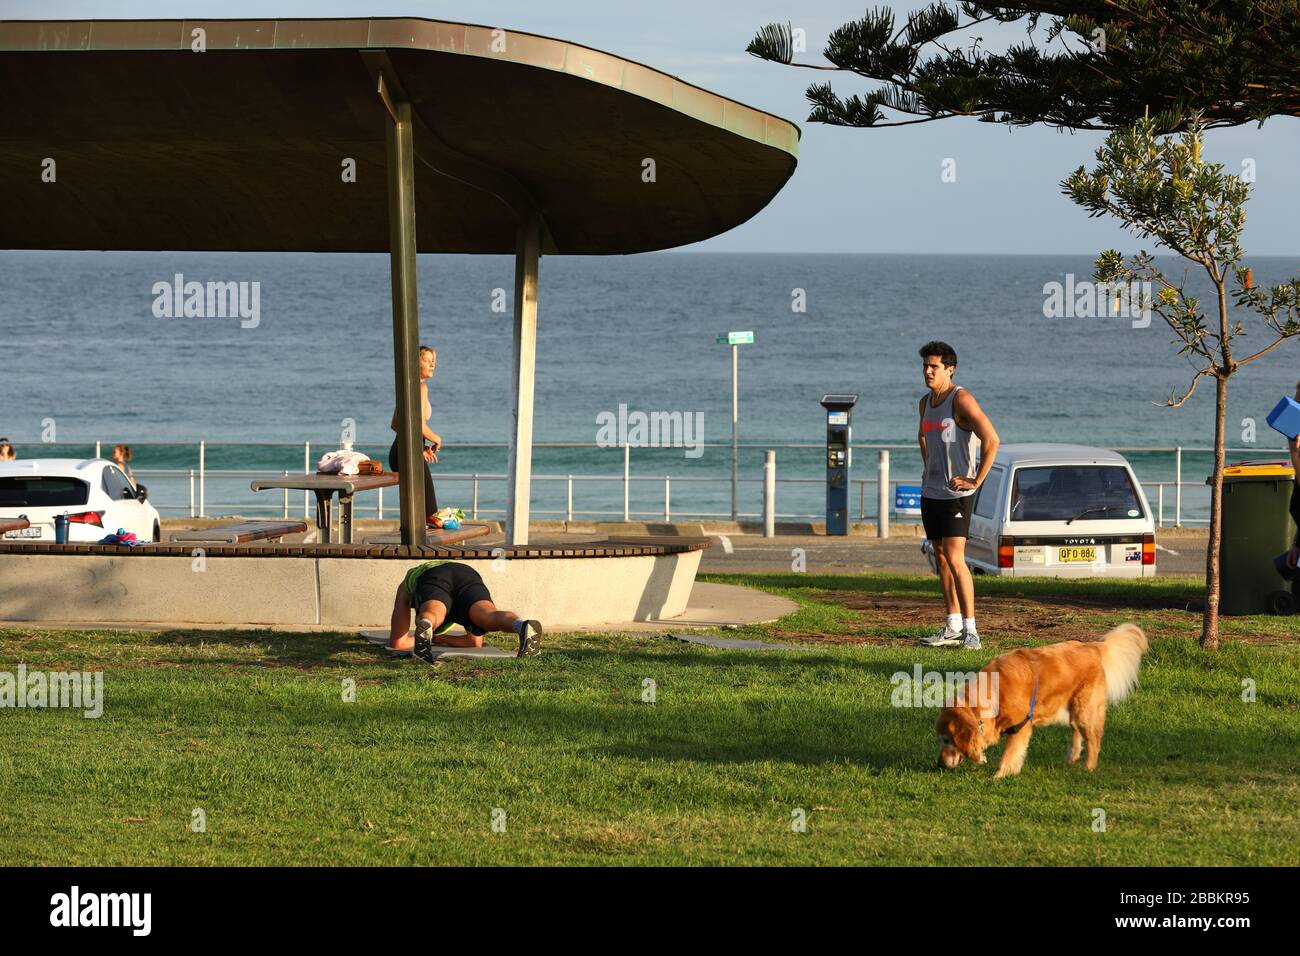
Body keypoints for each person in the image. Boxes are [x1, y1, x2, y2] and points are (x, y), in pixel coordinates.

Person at [915, 341, 1001, 650]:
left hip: (957, 495)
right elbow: (923, 436)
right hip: (931, 493)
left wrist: (976, 479)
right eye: (925, 365)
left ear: (950, 369)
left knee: (954, 556)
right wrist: (929, 470)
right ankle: (951, 626)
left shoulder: (961, 399)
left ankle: (971, 631)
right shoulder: (925, 403)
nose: (927, 371)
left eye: (934, 366)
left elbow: (992, 439)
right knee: (939, 557)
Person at [387, 559, 542, 660]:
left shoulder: (406, 583)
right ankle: (521, 625)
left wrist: (431, 638)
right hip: (466, 573)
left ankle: (427, 621)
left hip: (431, 576)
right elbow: (474, 642)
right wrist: (444, 639)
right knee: (488, 615)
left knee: (434, 612)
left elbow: (398, 643)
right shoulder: (460, 612)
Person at [389, 345, 441, 525]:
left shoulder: (407, 387)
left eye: (433, 361)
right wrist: (436, 439)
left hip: (400, 450)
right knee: (430, 511)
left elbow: (396, 424)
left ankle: (416, 540)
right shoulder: (420, 387)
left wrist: (420, 446)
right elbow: (419, 424)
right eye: (427, 360)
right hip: (408, 451)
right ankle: (425, 547)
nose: (432, 364)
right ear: (414, 362)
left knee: (422, 506)